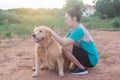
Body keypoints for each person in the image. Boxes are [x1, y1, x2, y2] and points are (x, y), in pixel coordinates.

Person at [52, 5, 99, 75]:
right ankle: (79, 64)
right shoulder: (73, 29)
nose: (65, 21)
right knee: (66, 46)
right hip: (87, 56)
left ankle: (82, 68)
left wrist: (52, 33)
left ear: (74, 19)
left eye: (67, 19)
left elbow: (64, 43)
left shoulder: (79, 29)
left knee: (65, 48)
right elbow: (62, 40)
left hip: (91, 59)